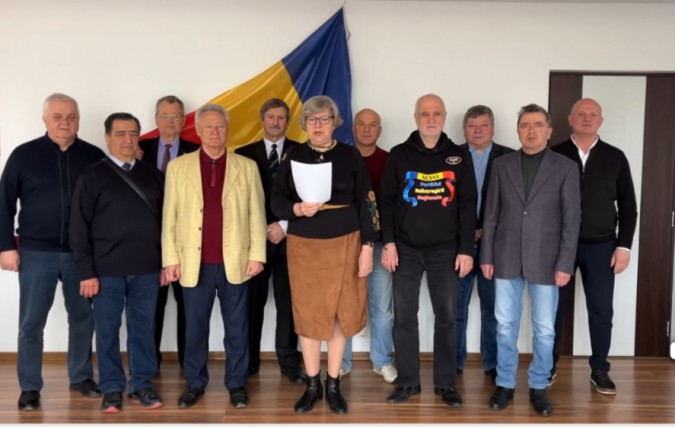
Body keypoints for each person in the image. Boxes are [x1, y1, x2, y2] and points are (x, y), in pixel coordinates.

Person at [271, 95, 378, 415]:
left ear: (335, 123)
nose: (318, 125)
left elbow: (367, 201)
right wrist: (295, 209)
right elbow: (276, 200)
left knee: (338, 315)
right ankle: (312, 384)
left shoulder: (350, 155)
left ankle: (333, 384)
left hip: (346, 243)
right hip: (305, 246)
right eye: (312, 119)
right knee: (308, 315)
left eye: (324, 119)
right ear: (305, 124)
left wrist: (368, 247)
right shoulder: (293, 155)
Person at [0, 93, 105, 411]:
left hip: (80, 255)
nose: (65, 122)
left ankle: (81, 377)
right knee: (31, 323)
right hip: (35, 253)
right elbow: (4, 203)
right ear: (45, 119)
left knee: (83, 318)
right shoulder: (23, 155)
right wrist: (6, 247)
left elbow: (106, 206)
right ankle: (30, 386)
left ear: (78, 120)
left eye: (71, 117)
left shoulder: (94, 156)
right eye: (58, 116)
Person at [162, 104, 266, 410]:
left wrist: (257, 255)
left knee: (238, 328)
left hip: (237, 261)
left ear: (227, 129)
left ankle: (237, 384)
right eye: (208, 126)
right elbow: (169, 218)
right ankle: (194, 383)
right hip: (193, 264)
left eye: (220, 126)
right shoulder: (178, 168)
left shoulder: (247, 167)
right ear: (197, 130)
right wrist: (171, 259)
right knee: (195, 328)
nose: (215, 131)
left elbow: (257, 215)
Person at [480, 104, 581, 417]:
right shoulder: (502, 165)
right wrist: (487, 255)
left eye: (538, 125)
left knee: (545, 329)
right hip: (505, 256)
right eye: (525, 125)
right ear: (518, 130)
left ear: (549, 131)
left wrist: (565, 263)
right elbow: (491, 214)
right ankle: (505, 382)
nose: (531, 131)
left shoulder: (565, 167)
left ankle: (539, 385)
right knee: (505, 325)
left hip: (548, 260)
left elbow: (571, 220)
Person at [379, 94, 476, 408]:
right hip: (405, 249)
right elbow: (386, 202)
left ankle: (445, 383)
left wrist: (466, 249)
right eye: (425, 114)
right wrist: (389, 243)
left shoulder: (459, 156)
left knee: (447, 316)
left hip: (445, 251)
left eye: (436, 114)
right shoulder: (399, 154)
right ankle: (408, 381)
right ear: (416, 117)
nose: (431, 119)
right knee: (404, 317)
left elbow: (467, 205)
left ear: (445, 117)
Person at [70, 112, 165, 413]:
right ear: (107, 138)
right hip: (105, 271)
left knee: (143, 330)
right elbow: (78, 228)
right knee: (107, 332)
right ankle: (111, 389)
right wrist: (86, 272)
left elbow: (167, 224)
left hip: (147, 268)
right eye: (121, 134)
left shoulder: (153, 175)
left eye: (133, 133)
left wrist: (165, 262)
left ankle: (141, 386)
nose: (128, 140)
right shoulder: (92, 176)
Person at [551, 98, 638, 395]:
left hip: (602, 247)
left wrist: (624, 246)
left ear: (601, 121)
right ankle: (547, 365)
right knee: (552, 309)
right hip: (559, 246)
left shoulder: (615, 157)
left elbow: (628, 206)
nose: (586, 119)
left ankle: (600, 369)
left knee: (601, 310)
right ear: (570, 119)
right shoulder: (554, 154)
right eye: (581, 114)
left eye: (593, 115)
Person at [235, 98, 304, 383]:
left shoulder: (302, 152)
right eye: (271, 117)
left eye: (281, 118)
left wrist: (284, 225)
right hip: (255, 242)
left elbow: (309, 198)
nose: (276, 122)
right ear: (262, 120)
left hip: (291, 240)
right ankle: (249, 360)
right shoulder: (242, 154)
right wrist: (260, 228)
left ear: (287, 122)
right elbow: (237, 199)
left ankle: (289, 362)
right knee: (251, 303)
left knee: (289, 305)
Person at [138, 95, 200, 372]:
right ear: (156, 119)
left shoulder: (197, 151)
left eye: (175, 116)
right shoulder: (138, 148)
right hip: (148, 241)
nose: (170, 121)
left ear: (184, 120)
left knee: (189, 307)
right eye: (164, 115)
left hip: (186, 241)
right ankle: (149, 364)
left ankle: (190, 364)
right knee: (151, 306)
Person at [456, 105, 514, 381]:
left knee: (493, 310)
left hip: (496, 246)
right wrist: (469, 231)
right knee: (456, 308)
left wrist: (486, 230)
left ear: (493, 127)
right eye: (472, 125)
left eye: (483, 125)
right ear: (464, 129)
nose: (477, 131)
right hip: (459, 246)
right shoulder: (451, 156)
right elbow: (444, 201)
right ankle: (454, 363)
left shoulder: (510, 157)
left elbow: (514, 204)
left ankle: (492, 364)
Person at [341, 108, 397, 384]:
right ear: (353, 128)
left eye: (372, 125)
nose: (366, 129)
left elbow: (395, 204)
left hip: (379, 243)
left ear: (380, 130)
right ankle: (340, 363)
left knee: (382, 307)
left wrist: (390, 242)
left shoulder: (390, 160)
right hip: (345, 242)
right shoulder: (341, 158)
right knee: (344, 305)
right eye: (361, 124)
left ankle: (382, 361)